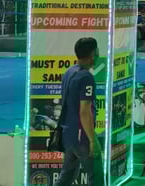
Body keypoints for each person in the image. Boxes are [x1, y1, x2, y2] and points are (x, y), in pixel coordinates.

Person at [56, 37, 99, 186]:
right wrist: (93, 140)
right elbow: (84, 112)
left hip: (69, 134)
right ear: (93, 54)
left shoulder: (69, 72)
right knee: (96, 175)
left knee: (67, 176)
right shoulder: (86, 77)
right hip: (82, 136)